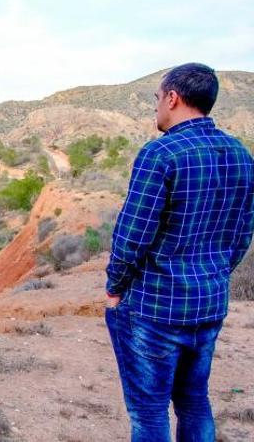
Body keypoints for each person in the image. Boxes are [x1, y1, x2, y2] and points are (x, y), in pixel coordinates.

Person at [105, 62, 254, 441]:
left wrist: (115, 287)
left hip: (155, 308)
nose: (156, 107)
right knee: (194, 401)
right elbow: (242, 234)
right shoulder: (241, 155)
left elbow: (132, 236)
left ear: (173, 98)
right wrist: (217, 273)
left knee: (149, 411)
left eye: (157, 98)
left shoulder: (161, 154)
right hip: (209, 304)